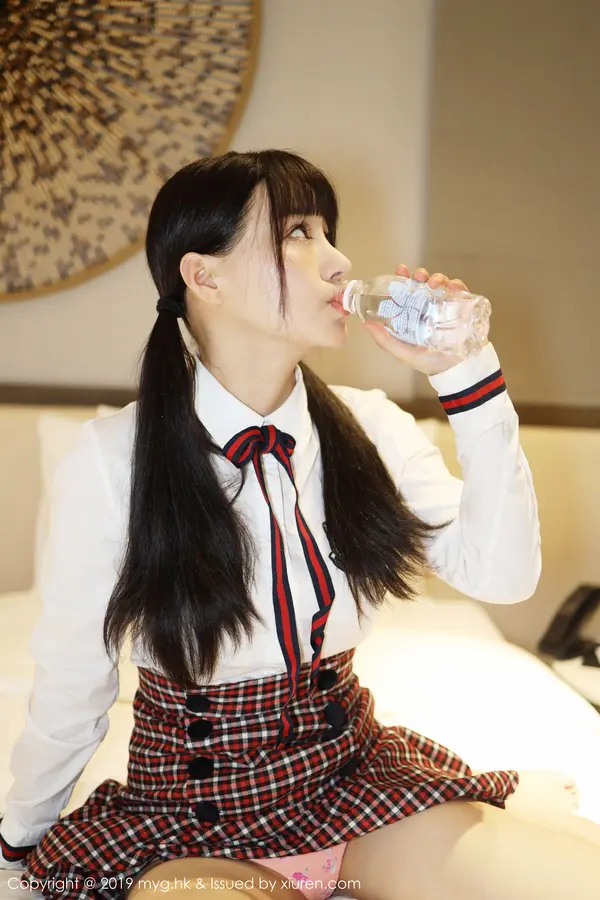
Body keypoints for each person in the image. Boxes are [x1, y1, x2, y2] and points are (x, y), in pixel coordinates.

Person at [1, 149, 599, 900]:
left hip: (354, 790)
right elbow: (74, 687)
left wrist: (466, 376)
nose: (339, 260)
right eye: (296, 234)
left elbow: (503, 577)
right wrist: (18, 838)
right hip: (188, 820)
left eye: (327, 233)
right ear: (203, 276)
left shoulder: (370, 426)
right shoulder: (112, 458)